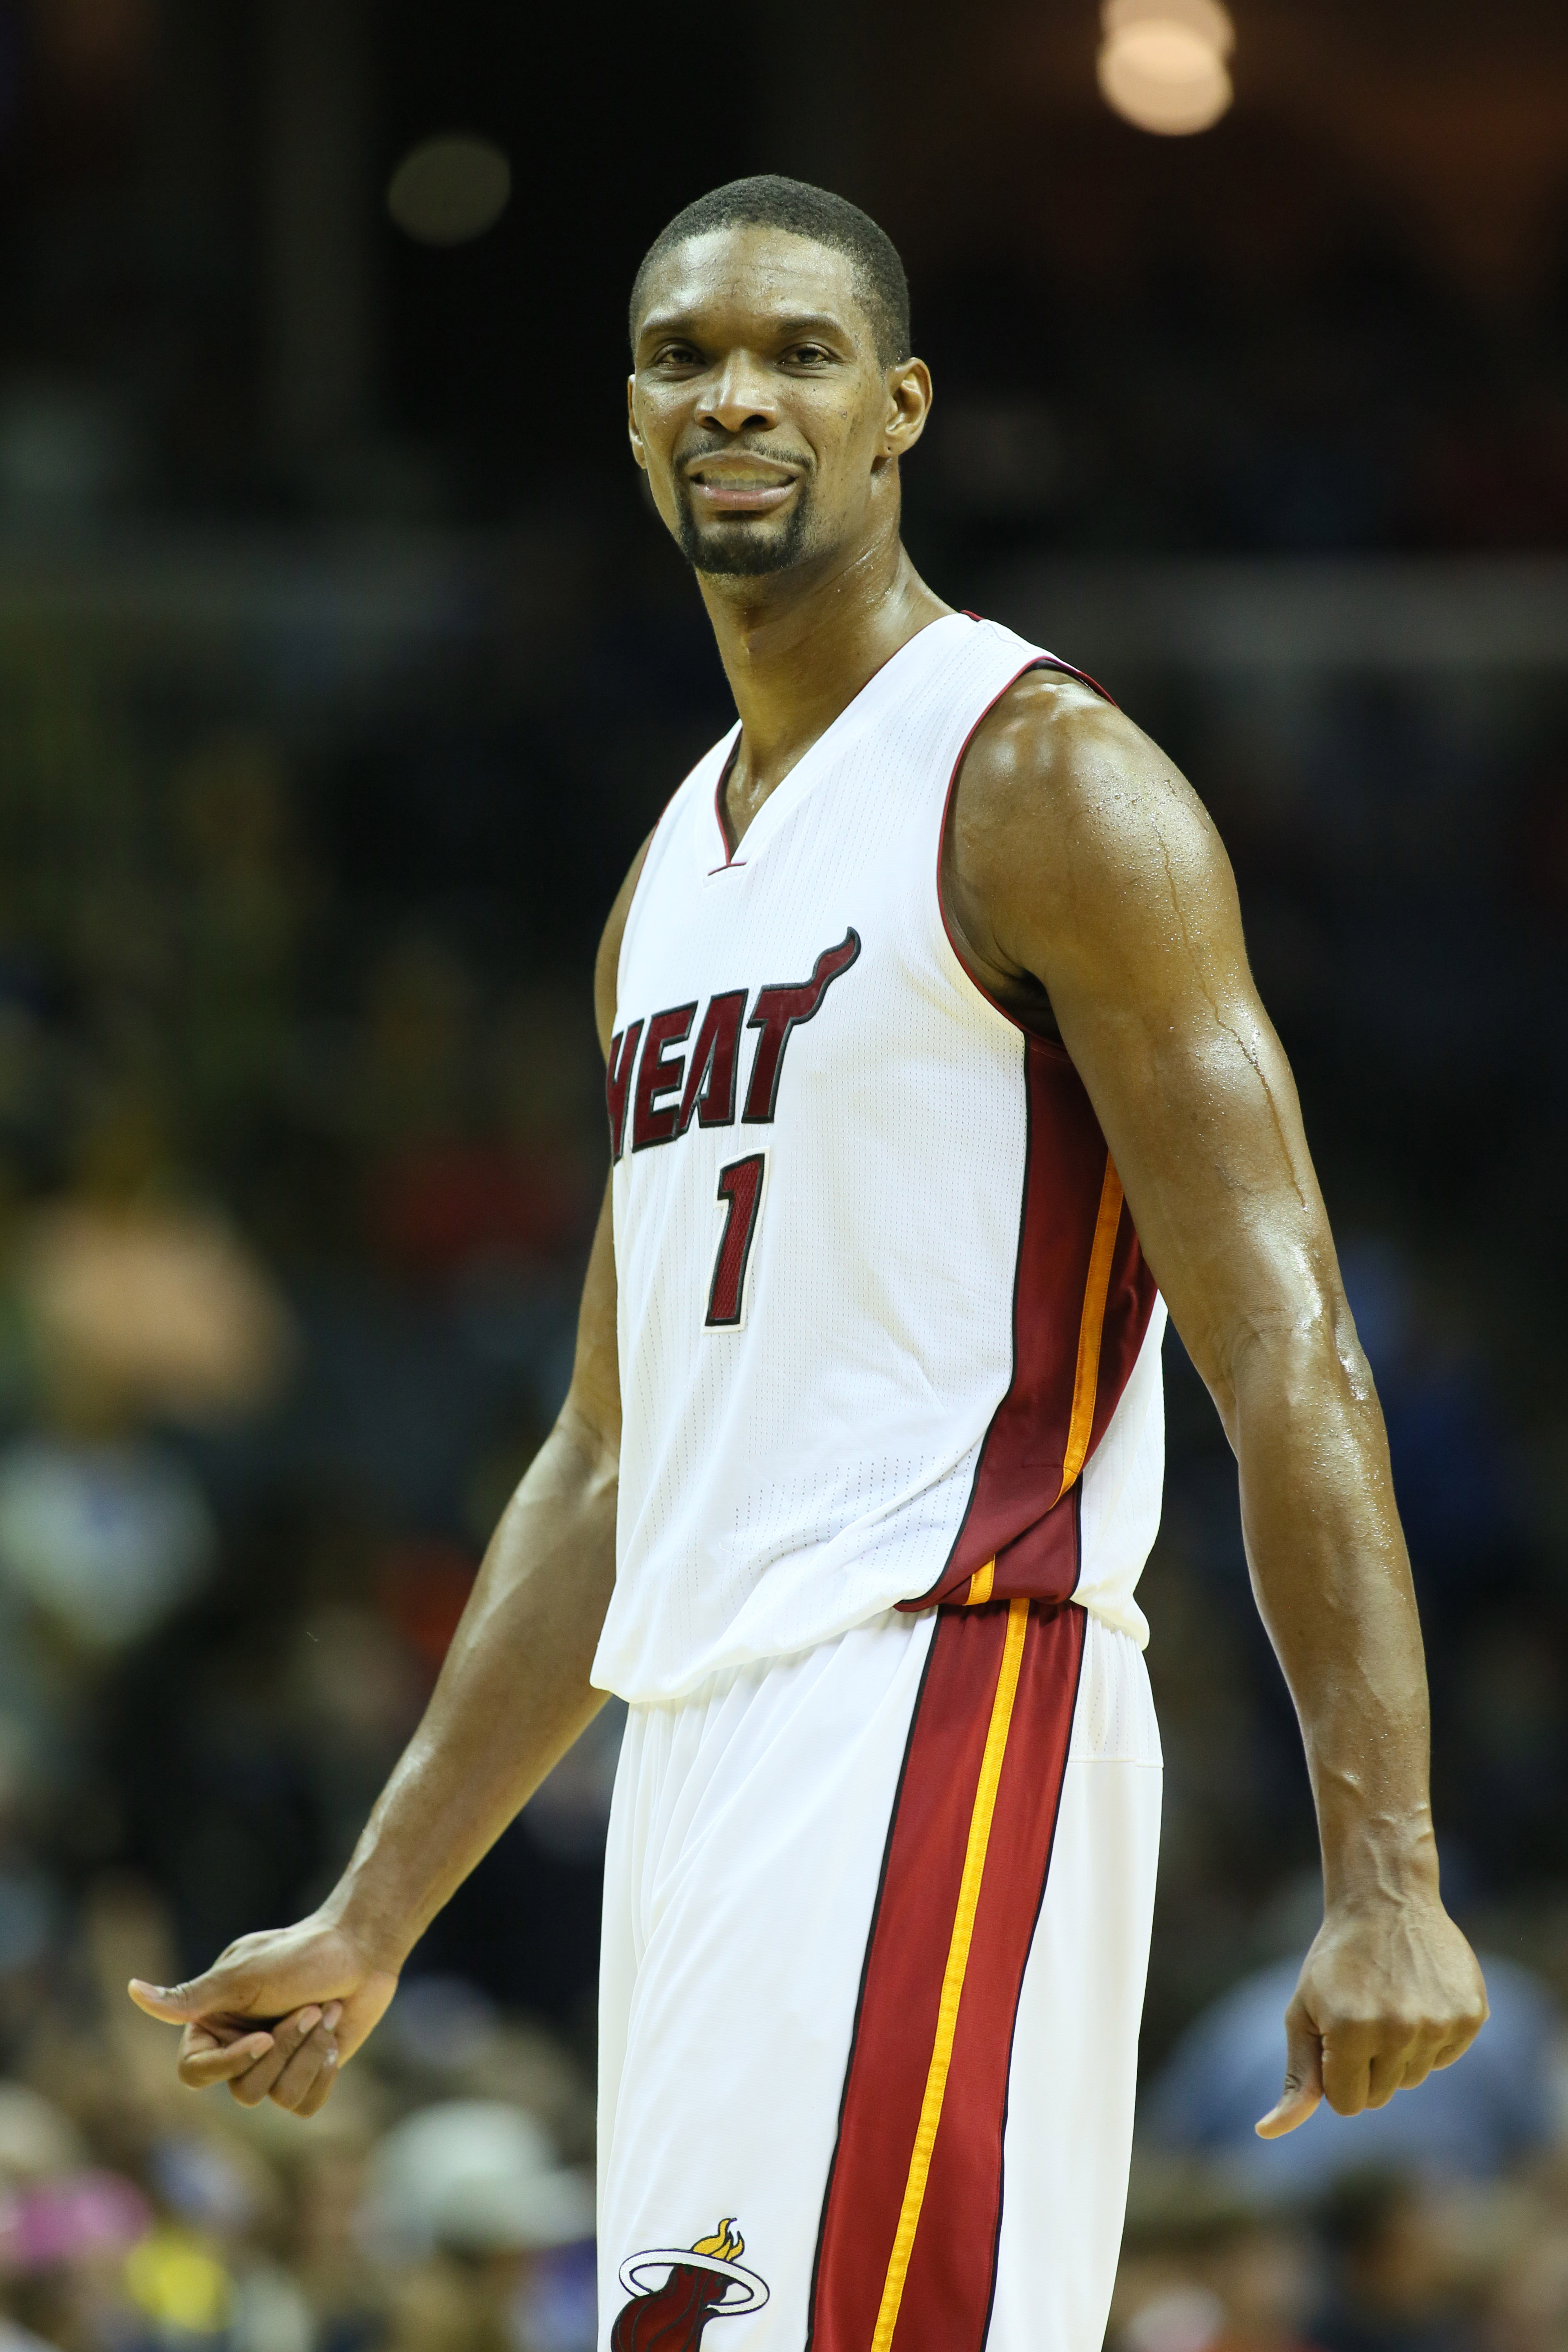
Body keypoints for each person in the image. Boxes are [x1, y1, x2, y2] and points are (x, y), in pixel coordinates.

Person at [127, 176, 1487, 2352]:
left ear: (901, 412)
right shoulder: (666, 881)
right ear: (632, 416)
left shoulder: (1045, 785)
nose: (733, 395)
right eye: (681, 357)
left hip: (947, 1692)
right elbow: (603, 1452)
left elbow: (1291, 1347)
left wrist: (1389, 1872)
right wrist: (376, 1914)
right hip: (692, 1759)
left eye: (796, 354)